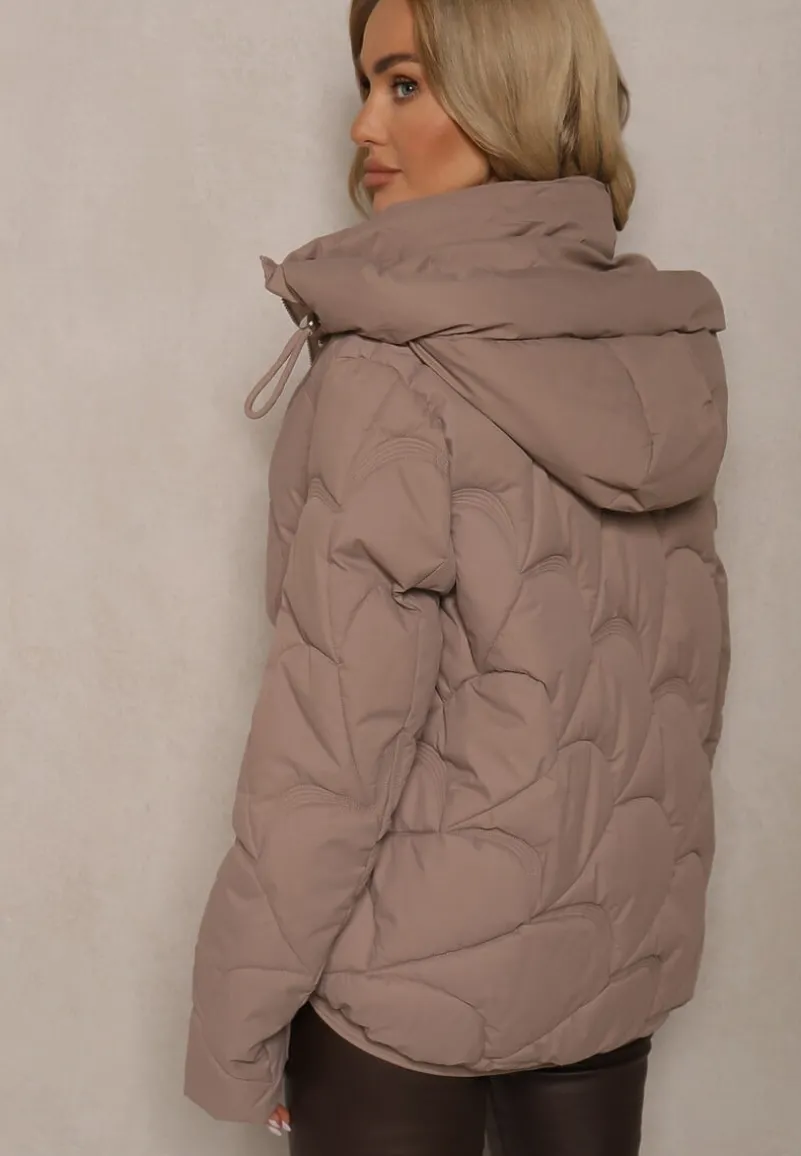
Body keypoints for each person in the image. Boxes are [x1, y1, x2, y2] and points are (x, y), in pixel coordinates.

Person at [184, 0, 730, 1152]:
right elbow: (682, 696)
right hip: (605, 971)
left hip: (407, 1002)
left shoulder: (389, 376)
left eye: (402, 84)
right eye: (366, 85)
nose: (361, 127)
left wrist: (239, 1027)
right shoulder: (659, 355)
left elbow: (330, 751)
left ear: (504, 92)